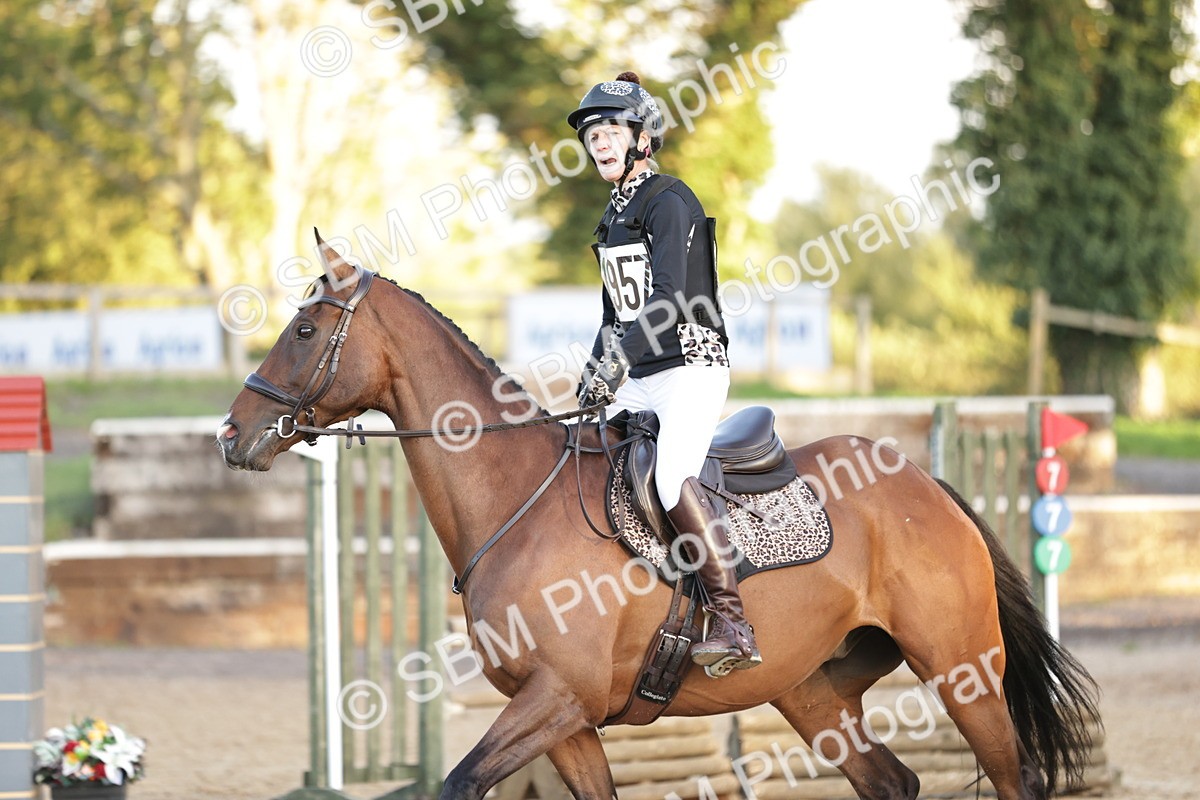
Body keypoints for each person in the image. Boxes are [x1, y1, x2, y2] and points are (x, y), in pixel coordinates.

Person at [567, 71, 761, 672]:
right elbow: (614, 314)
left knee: (673, 477)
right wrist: (595, 371)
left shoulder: (670, 200)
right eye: (592, 134)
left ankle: (732, 620)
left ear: (642, 138)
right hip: (641, 373)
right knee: (585, 452)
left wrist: (619, 359)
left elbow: (672, 297)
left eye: (610, 131)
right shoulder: (612, 217)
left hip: (689, 365)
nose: (599, 142)